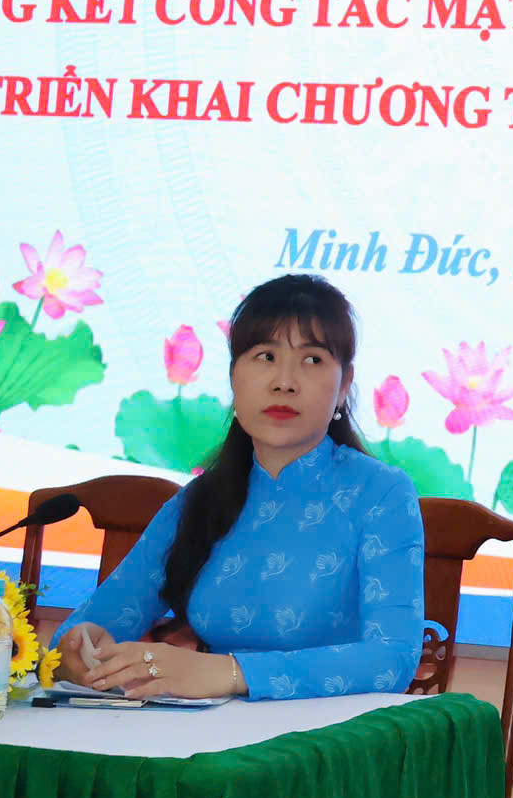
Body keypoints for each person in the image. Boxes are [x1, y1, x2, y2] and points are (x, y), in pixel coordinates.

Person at [55, 274, 424, 699]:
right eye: (265, 356)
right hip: (212, 731)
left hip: (334, 734)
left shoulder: (381, 494)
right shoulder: (199, 501)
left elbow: (392, 660)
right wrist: (79, 649)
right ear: (234, 377)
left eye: (312, 359)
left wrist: (230, 673)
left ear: (343, 386)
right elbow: (88, 626)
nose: (284, 381)